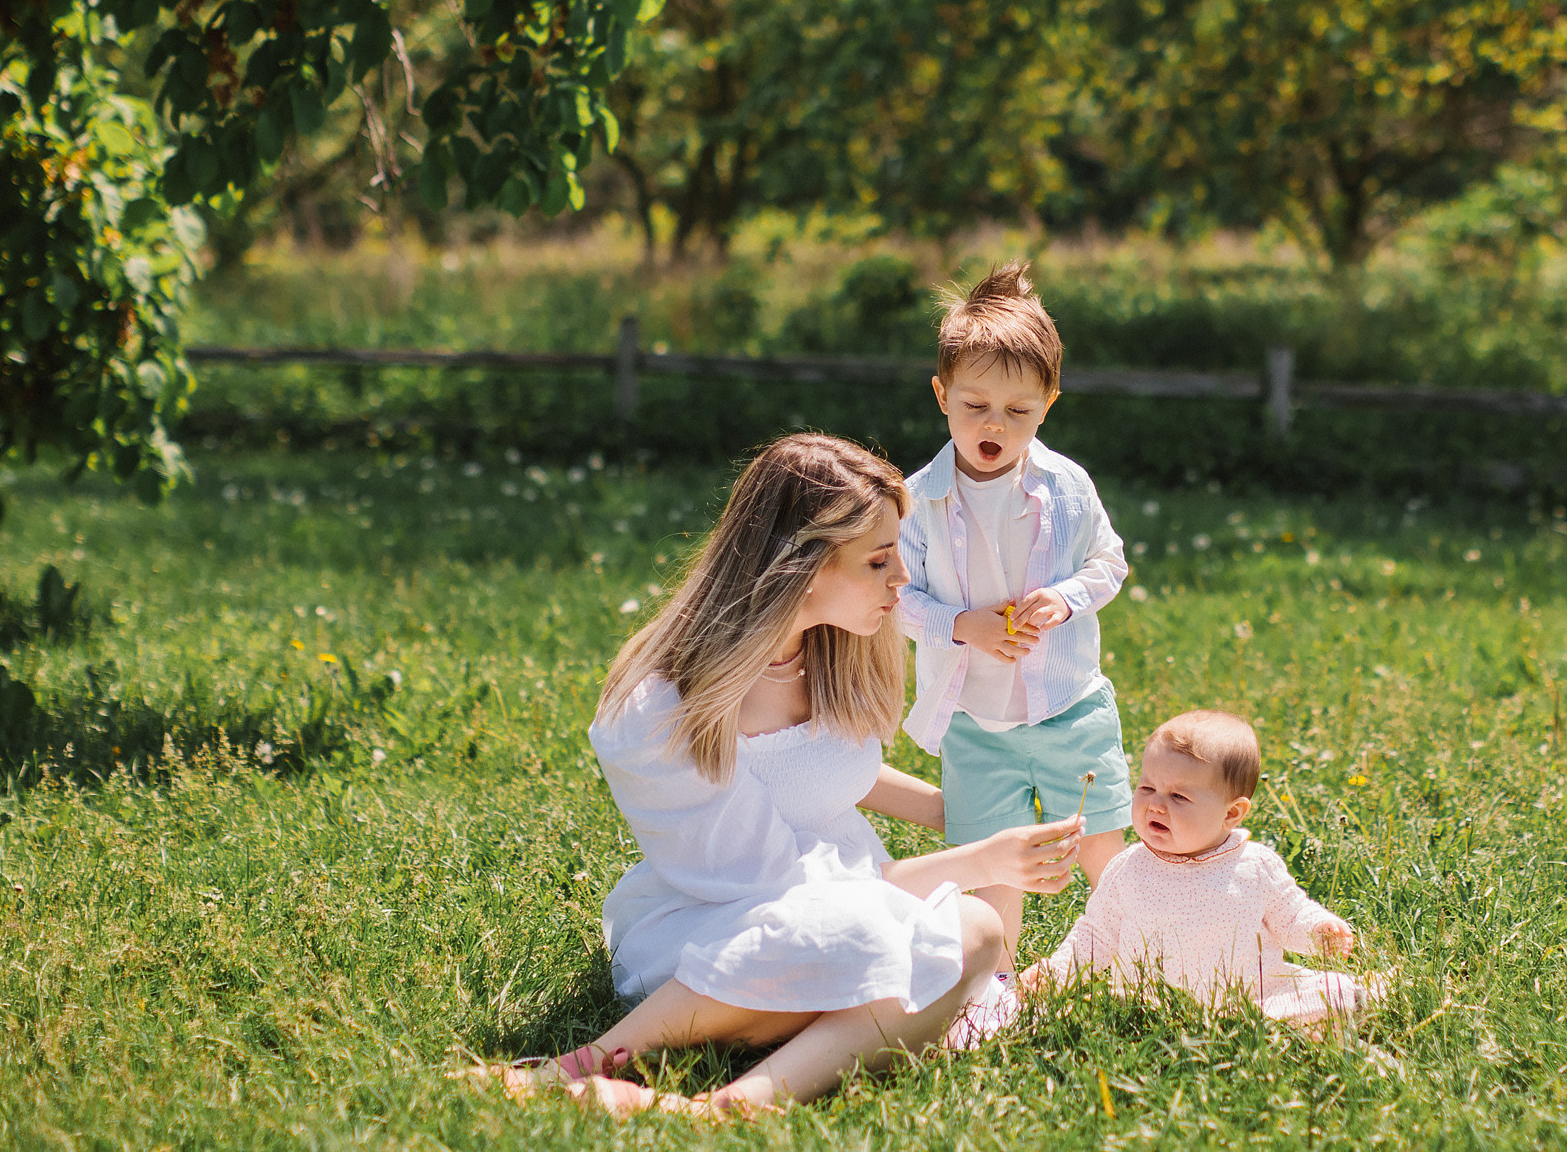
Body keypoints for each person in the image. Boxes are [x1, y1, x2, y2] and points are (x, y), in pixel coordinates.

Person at [494, 434, 1082, 1119]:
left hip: (840, 899)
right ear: (801, 565)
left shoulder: (827, 649)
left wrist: (965, 812)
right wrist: (980, 856)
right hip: (721, 930)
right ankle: (592, 1059)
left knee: (976, 930)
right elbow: (779, 890)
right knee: (884, 944)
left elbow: (822, 770)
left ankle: (732, 1106)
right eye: (879, 560)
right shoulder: (662, 710)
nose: (902, 579)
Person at [895, 263, 1134, 949]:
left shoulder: (1066, 485)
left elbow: (1108, 562)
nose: (994, 424)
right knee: (994, 872)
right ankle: (995, 984)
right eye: (975, 405)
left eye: (1018, 411)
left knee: (1102, 855)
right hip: (976, 721)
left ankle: (1148, 952)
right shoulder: (919, 499)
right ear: (942, 395)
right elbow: (895, 597)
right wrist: (958, 624)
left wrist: (1064, 598)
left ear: (1048, 403)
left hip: (1070, 707)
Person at [1025, 710, 1382, 1025]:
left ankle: (1287, 1018)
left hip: (1251, 995)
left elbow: (1289, 916)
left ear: (1231, 814)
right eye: (1147, 787)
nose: (1155, 805)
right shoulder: (1128, 869)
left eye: (1178, 797)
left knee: (1334, 990)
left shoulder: (1255, 865)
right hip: (1149, 1005)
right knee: (1121, 1017)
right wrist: (1057, 973)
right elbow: (1097, 934)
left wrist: (1318, 931)